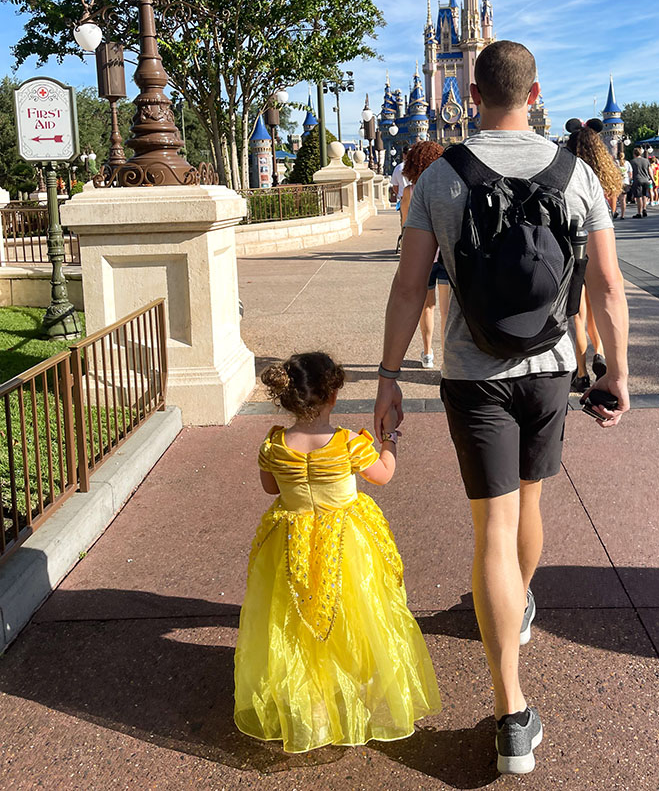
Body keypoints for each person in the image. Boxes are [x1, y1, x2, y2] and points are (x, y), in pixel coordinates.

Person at [374, 40, 629, 774]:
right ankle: (517, 613)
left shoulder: (442, 177)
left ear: (472, 89)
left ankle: (512, 713)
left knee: (493, 524)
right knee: (530, 503)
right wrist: (618, 373)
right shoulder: (577, 172)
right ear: (535, 90)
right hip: (550, 367)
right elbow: (607, 286)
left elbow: (408, 287)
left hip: (471, 371)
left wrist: (390, 374)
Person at [235, 352, 441, 752]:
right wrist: (390, 441)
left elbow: (270, 489)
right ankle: (356, 687)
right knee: (358, 613)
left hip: (291, 540)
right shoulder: (349, 444)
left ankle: (311, 706)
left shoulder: (274, 443)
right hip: (346, 541)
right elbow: (383, 475)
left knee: (294, 622)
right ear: (333, 397)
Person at [565, 119, 621, 391]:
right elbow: (610, 209)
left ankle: (581, 371)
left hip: (573, 247)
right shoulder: (606, 173)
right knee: (599, 302)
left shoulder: (566, 172)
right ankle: (599, 350)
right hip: (600, 243)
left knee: (577, 311)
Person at [400, 140, 449, 369]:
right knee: (447, 311)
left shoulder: (410, 192)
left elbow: (405, 227)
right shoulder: (446, 188)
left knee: (427, 307)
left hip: (423, 257)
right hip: (446, 254)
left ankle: (428, 353)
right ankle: (448, 356)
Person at [630, 146, 653, 218]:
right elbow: (650, 171)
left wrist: (630, 180)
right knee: (644, 195)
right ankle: (644, 209)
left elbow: (631, 172)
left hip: (637, 180)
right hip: (646, 180)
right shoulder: (646, 161)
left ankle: (639, 212)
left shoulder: (632, 161)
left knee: (638, 196)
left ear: (634, 154)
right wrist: (652, 179)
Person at [614, 148, 632, 219]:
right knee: (623, 199)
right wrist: (630, 180)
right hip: (625, 182)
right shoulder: (627, 163)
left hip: (617, 182)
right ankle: (623, 215)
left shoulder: (615, 162)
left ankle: (615, 211)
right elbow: (630, 173)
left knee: (615, 198)